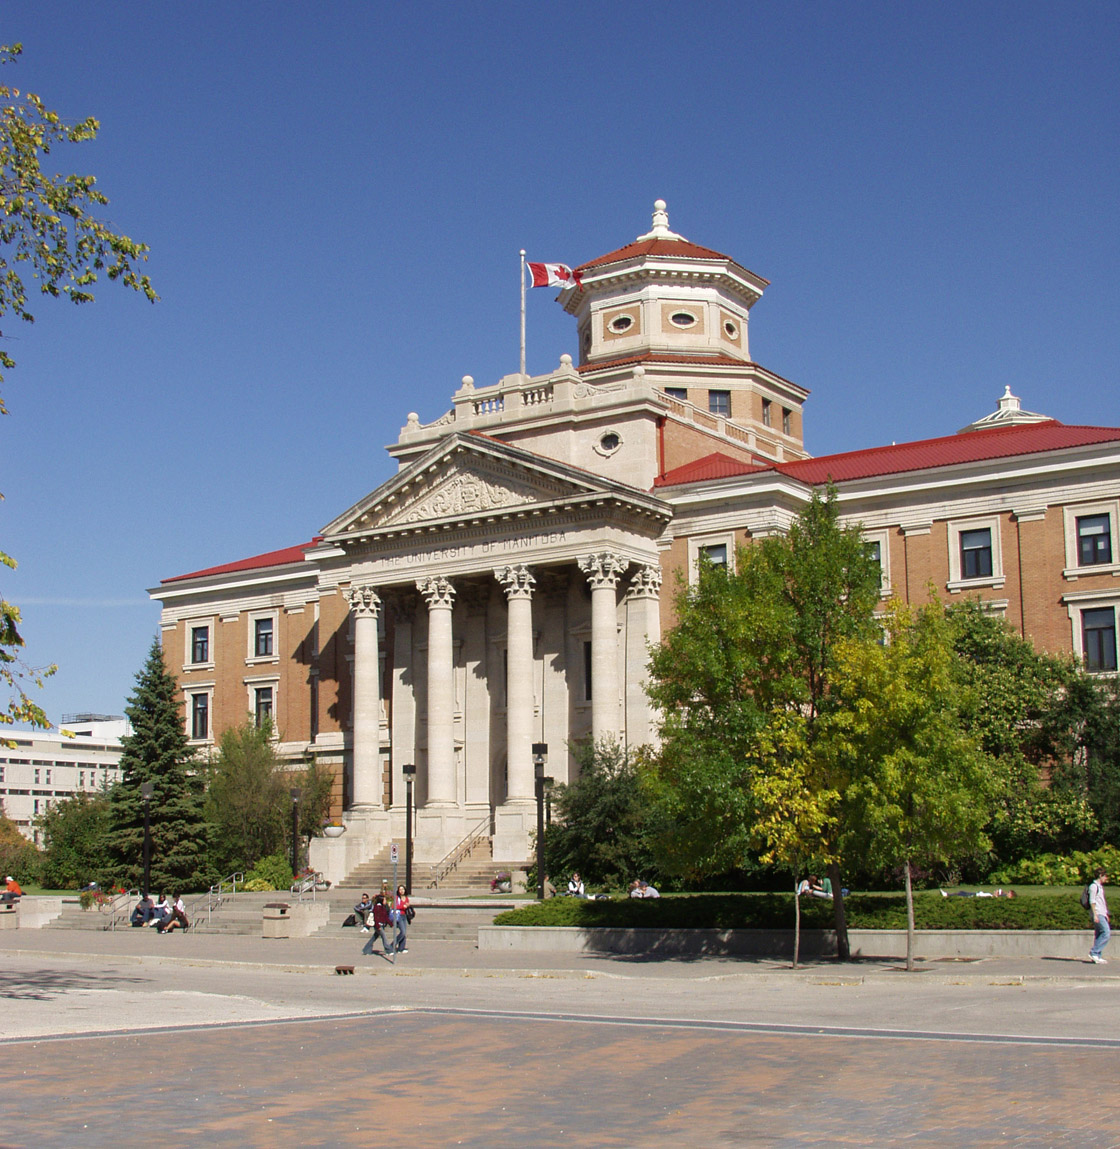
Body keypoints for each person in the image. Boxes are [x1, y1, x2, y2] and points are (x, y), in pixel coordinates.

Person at [1088, 868, 1110, 965]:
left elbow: (1102, 902)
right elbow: (1092, 901)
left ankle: (1097, 956)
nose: (1106, 878)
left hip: (1102, 913)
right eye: (1105, 876)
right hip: (1097, 913)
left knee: (1099, 934)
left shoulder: (1100, 887)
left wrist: (1106, 914)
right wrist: (1095, 915)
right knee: (1106, 933)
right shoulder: (1093, 886)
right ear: (1100, 876)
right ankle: (1094, 952)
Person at [392, 884, 411, 953]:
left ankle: (401, 948)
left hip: (404, 915)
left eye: (402, 889)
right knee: (402, 932)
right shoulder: (397, 898)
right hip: (399, 915)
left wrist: (408, 905)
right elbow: (394, 906)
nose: (401, 891)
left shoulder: (406, 898)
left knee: (404, 932)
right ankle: (392, 945)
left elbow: (407, 905)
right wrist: (403, 906)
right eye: (400, 889)